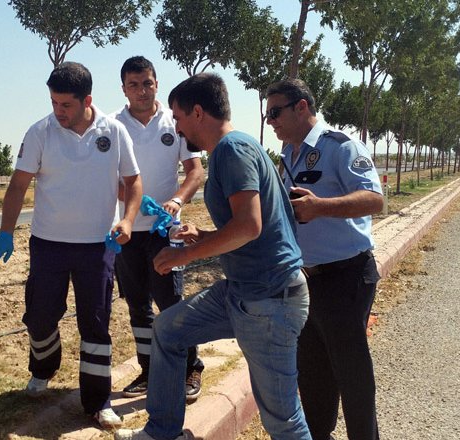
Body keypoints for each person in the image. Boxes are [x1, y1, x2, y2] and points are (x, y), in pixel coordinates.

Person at [115, 73, 311, 440]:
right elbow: (252, 228)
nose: (175, 124)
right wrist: (203, 236)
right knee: (168, 330)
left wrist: (184, 254)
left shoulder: (232, 151)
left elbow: (249, 226)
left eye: (177, 116)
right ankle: (162, 431)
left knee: (282, 418)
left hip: (271, 302)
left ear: (198, 113)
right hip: (241, 293)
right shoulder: (232, 149)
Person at [0, 61, 143, 430]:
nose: (58, 111)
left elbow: (133, 182)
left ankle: (98, 400)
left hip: (96, 247)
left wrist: (129, 220)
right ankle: (43, 368)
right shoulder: (41, 132)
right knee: (39, 317)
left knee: (96, 324)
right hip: (48, 245)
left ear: (87, 99)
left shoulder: (114, 132)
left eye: (65, 105)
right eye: (54, 102)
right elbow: (18, 185)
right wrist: (6, 231)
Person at [264, 78, 384, 440]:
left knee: (351, 372)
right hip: (305, 279)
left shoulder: (340, 147)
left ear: (302, 107)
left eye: (275, 112)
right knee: (313, 371)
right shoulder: (288, 153)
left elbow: (374, 200)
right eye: (267, 114)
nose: (270, 121)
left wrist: (320, 208)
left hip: (345, 277)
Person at [110, 56, 206, 402]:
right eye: (133, 85)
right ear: (124, 88)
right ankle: (149, 370)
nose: (141, 91)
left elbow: (195, 171)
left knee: (172, 301)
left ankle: (190, 368)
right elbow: (108, 179)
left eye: (147, 83)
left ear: (156, 84)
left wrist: (177, 201)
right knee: (137, 304)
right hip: (128, 230)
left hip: (166, 230)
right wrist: (134, 203)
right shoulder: (113, 126)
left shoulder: (173, 122)